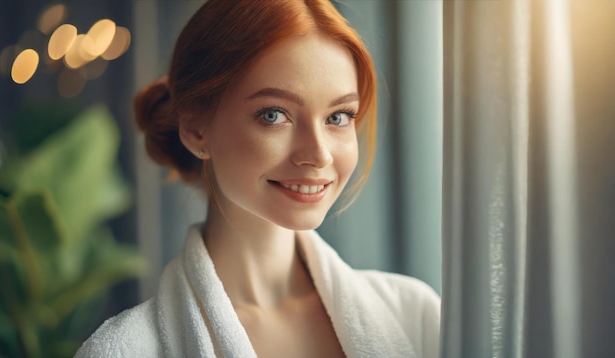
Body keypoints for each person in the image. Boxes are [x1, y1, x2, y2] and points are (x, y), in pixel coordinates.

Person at [75, 0, 440, 357]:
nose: (319, 155)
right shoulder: (125, 350)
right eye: (273, 115)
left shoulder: (416, 316)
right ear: (195, 128)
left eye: (338, 116)